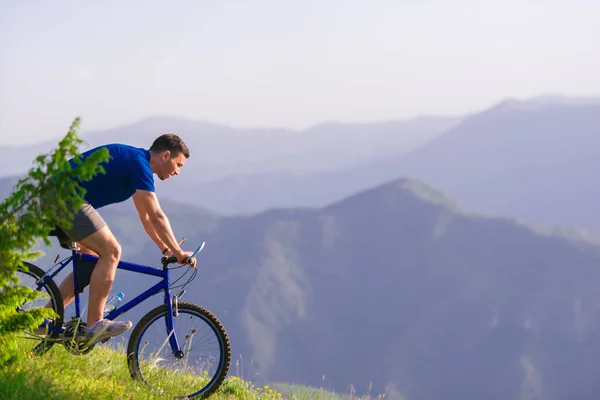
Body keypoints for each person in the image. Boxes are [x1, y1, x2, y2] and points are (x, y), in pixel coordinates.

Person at [37, 133, 197, 346]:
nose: (177, 172)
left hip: (58, 196)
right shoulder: (139, 165)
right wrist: (178, 252)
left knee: (89, 264)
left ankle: (40, 320)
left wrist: (165, 249)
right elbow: (157, 215)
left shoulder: (137, 165)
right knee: (112, 252)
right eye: (178, 165)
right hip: (64, 198)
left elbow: (147, 217)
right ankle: (95, 324)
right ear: (166, 155)